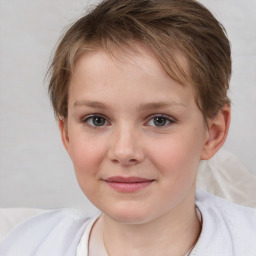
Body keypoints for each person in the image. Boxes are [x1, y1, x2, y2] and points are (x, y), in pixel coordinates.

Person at [0, 0, 255, 255]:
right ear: (67, 135)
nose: (124, 151)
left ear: (213, 133)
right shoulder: (24, 246)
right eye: (97, 120)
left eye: (159, 120)